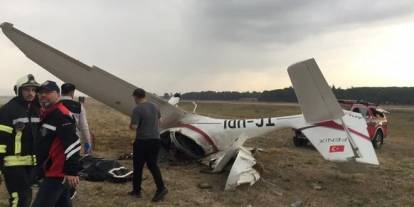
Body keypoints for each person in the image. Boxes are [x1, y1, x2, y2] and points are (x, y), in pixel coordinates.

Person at [31, 81, 81, 207]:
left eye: (48, 92)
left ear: (58, 94)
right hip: (50, 170)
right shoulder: (47, 113)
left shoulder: (61, 115)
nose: (43, 95)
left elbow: (73, 143)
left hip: (57, 173)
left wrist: (72, 171)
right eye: (41, 93)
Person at [0, 74, 40, 207]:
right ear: (18, 90)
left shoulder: (36, 110)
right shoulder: (8, 110)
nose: (31, 93)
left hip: (30, 164)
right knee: (20, 198)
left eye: (34, 90)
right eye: (27, 90)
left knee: (27, 197)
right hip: (12, 164)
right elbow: (1, 141)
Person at [129, 88, 167, 202]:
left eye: (134, 98)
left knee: (138, 166)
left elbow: (134, 127)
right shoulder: (155, 106)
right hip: (155, 140)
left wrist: (131, 125)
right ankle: (161, 188)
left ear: (136, 97)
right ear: (144, 96)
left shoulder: (137, 109)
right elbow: (160, 121)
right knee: (152, 165)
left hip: (142, 141)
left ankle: (137, 191)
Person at [60, 83, 92, 154]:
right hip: (74, 142)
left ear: (61, 92)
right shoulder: (79, 106)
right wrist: (88, 142)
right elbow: (84, 127)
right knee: (73, 163)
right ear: (72, 92)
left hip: (57, 141)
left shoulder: (55, 104)